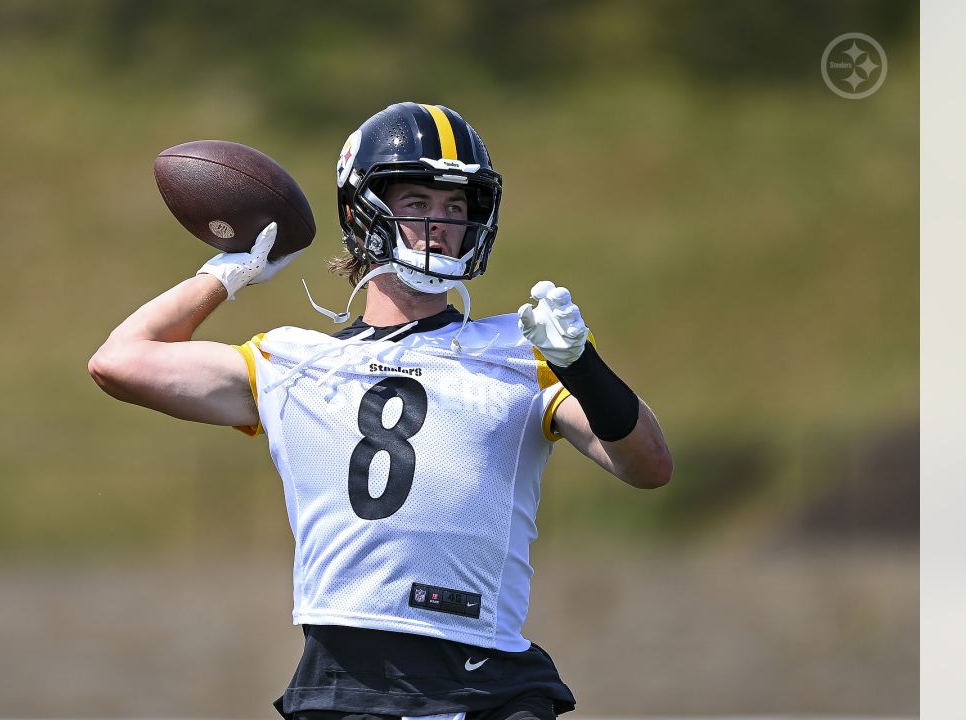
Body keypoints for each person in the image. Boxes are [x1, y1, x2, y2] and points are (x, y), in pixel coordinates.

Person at [88, 102, 673, 720]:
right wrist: (228, 272)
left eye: (456, 208)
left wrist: (582, 363)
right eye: (417, 203)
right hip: (342, 686)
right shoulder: (294, 362)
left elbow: (647, 466)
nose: (440, 224)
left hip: (486, 685)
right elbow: (118, 362)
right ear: (361, 211)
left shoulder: (521, 352)